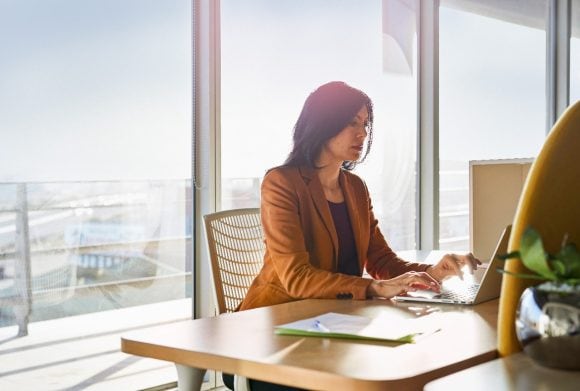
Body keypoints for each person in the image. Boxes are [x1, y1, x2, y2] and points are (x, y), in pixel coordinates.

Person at [225, 81, 480, 391]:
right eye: (351, 123)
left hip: (334, 325)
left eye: (365, 124)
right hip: (273, 335)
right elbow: (296, 277)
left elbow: (381, 261)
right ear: (323, 124)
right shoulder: (282, 182)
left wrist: (432, 272)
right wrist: (374, 288)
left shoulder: (355, 188)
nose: (362, 133)